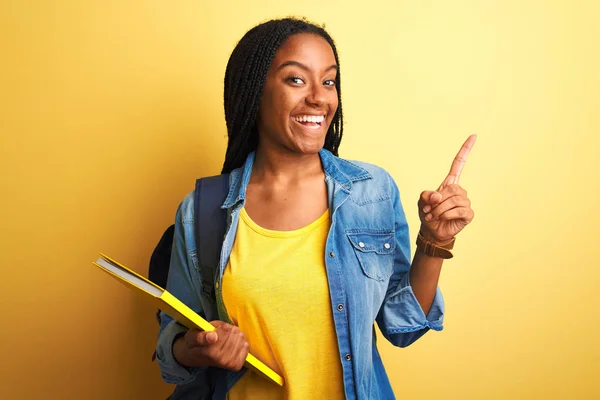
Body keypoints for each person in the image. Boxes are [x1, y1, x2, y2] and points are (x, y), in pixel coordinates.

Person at [155, 17, 475, 400]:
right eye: (296, 79)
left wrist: (433, 242)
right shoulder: (202, 211)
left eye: (328, 81)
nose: (320, 98)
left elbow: (403, 326)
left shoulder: (370, 192)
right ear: (255, 91)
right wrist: (200, 347)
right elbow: (170, 350)